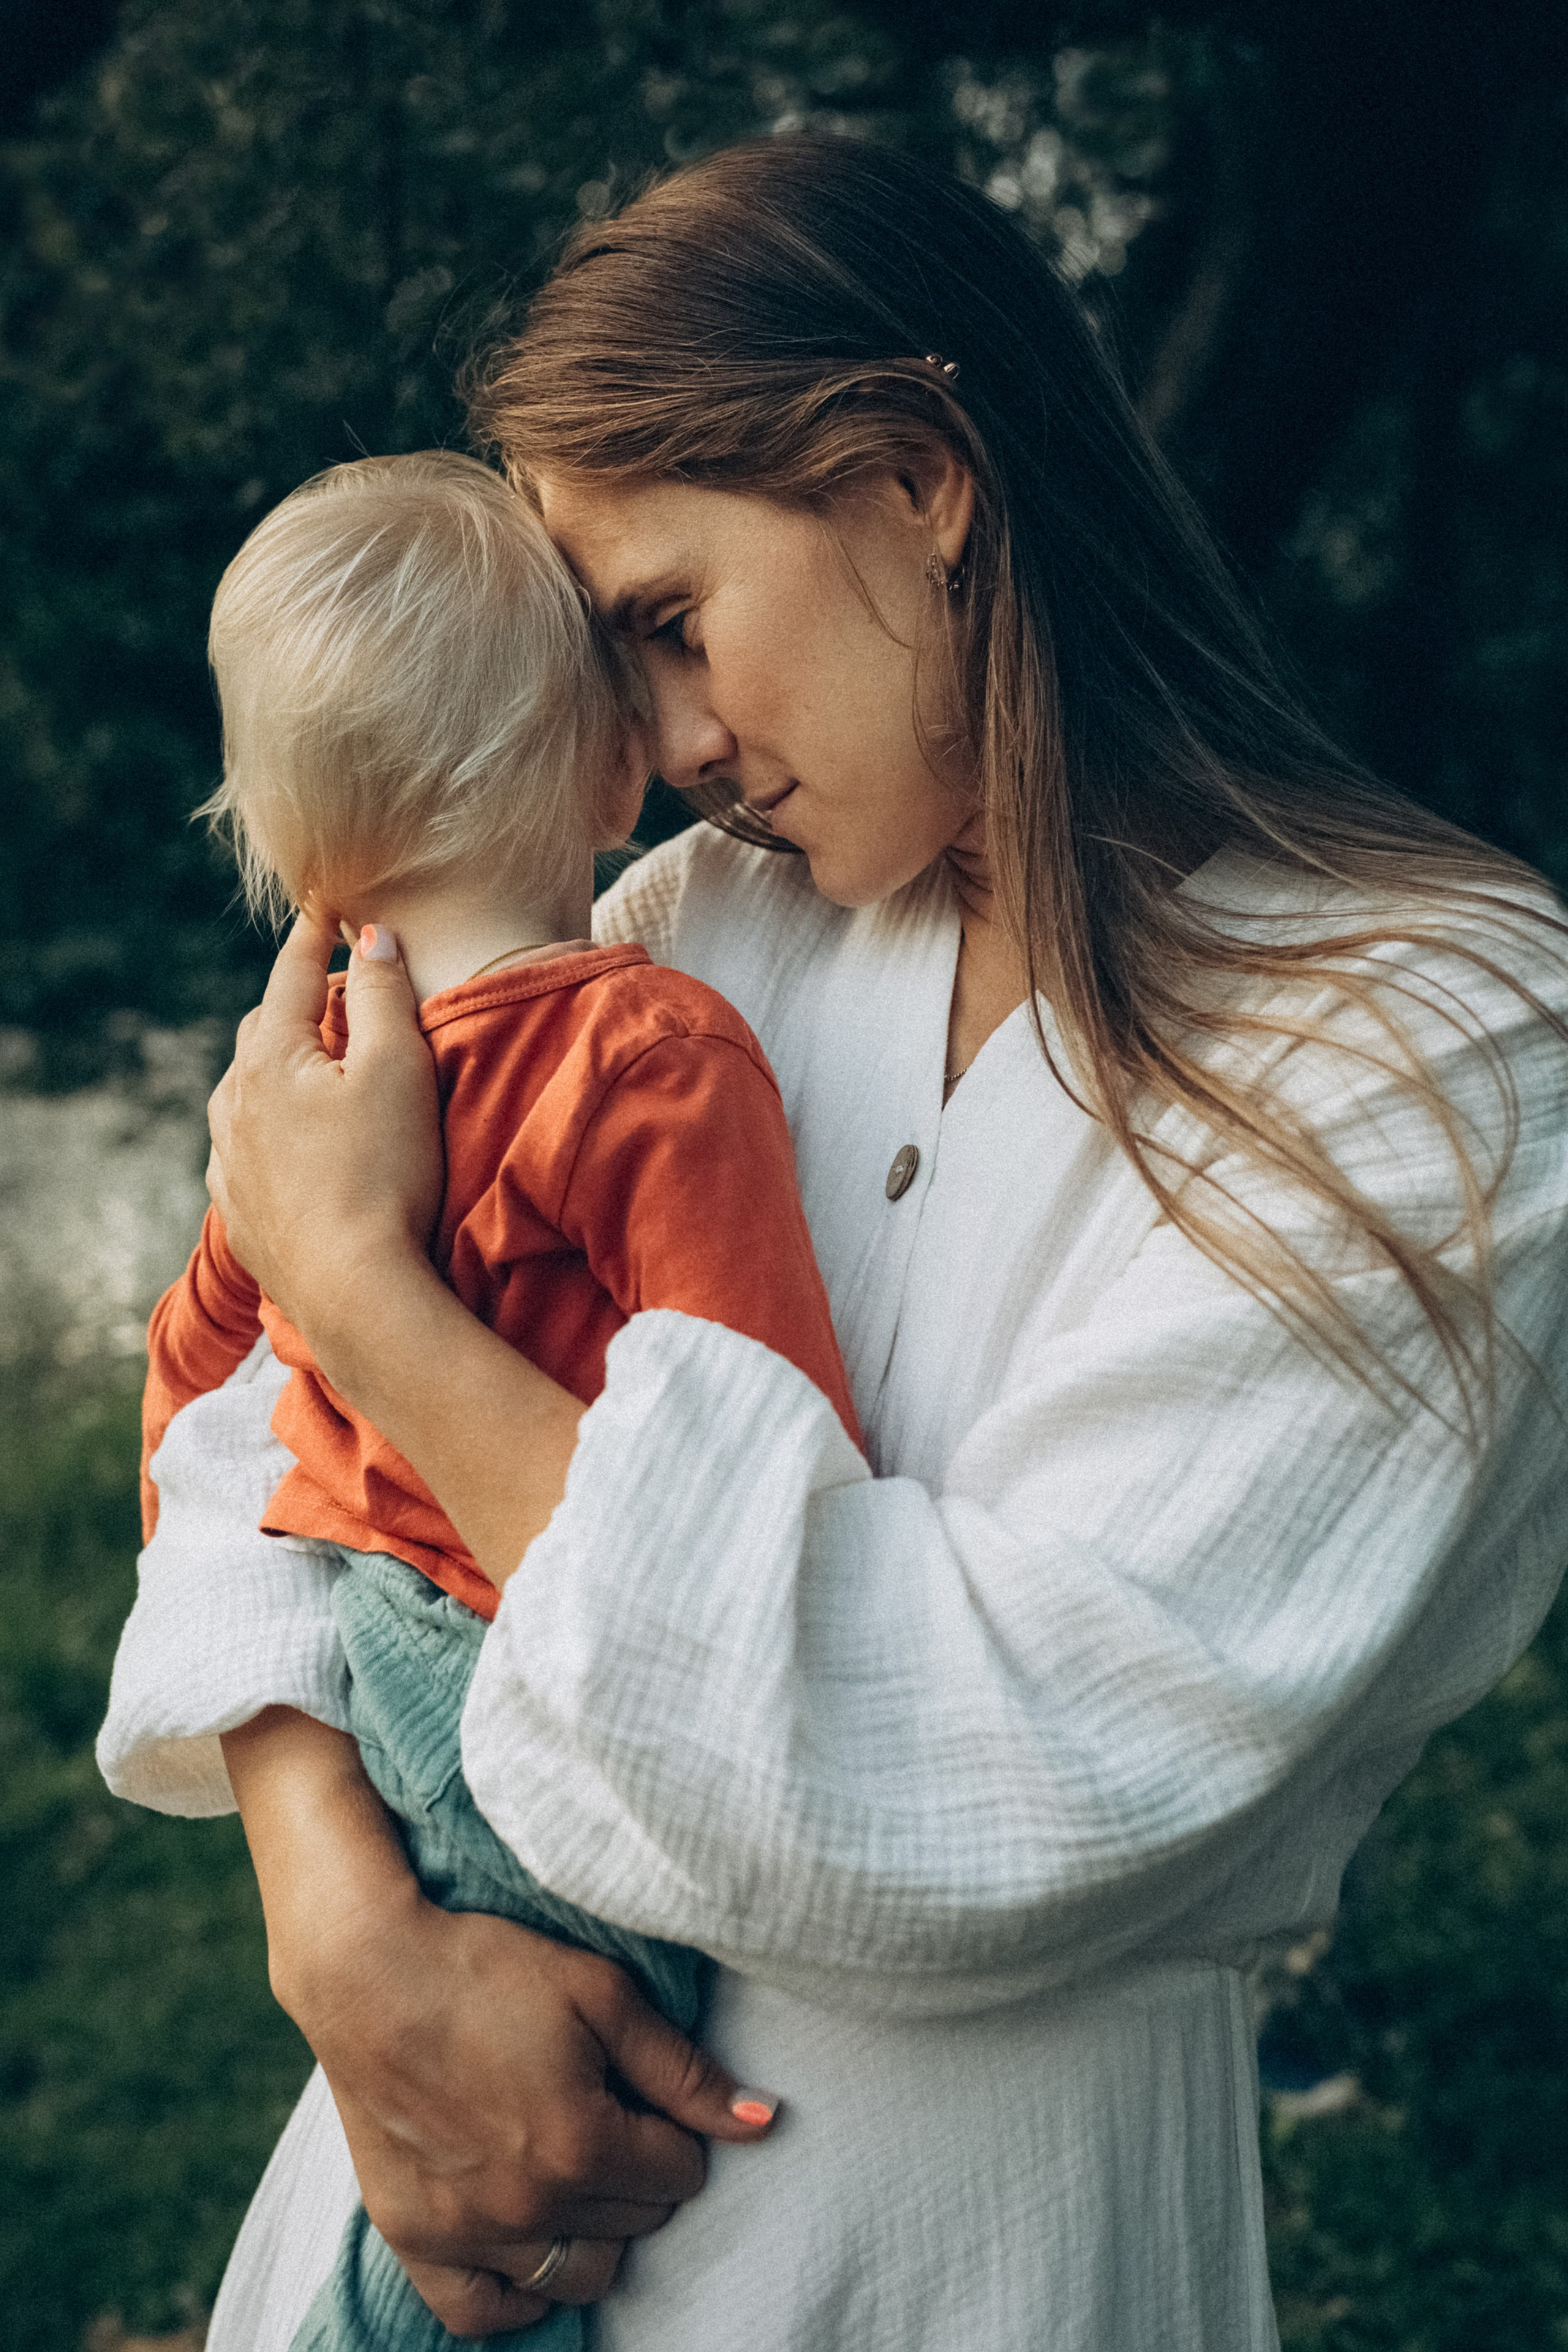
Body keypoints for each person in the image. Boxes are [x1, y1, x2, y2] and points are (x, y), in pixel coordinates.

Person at [99, 135, 1568, 2352]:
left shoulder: (1433, 1043)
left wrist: (385, 1309)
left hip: (964, 2247)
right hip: (411, 2223)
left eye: (673, 627)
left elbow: (985, 1769)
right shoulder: (691, 936)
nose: (661, 751)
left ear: (915, 479)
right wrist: (340, 1932)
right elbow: (243, 1421)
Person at [107, 448, 858, 2350]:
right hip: (535, 1661)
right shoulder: (650, 1044)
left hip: (369, 1661)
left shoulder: (298, 1099)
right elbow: (755, 1433)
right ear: (609, 768)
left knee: (448, 2118)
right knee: (561, 2094)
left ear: (294, 846)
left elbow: (196, 1383)